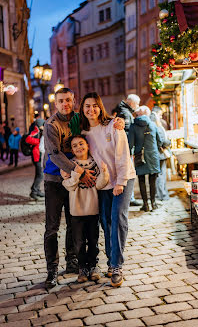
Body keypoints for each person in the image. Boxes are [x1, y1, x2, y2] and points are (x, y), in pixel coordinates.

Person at [43, 87, 124, 289]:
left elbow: (102, 123)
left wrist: (121, 122)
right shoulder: (51, 124)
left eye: (68, 100)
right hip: (55, 179)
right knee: (52, 227)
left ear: (73, 100)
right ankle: (52, 271)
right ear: (56, 103)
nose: (65, 104)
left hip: (79, 179)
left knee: (75, 224)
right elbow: (54, 154)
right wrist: (78, 169)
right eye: (61, 101)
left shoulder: (81, 118)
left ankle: (76, 263)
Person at [80, 92, 136, 287]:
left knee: (118, 218)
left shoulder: (113, 125)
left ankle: (117, 265)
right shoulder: (84, 132)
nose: (91, 109)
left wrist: (120, 182)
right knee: (106, 221)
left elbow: (123, 155)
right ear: (82, 109)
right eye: (87, 106)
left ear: (100, 107)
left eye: (95, 105)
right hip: (103, 183)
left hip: (123, 178)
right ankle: (112, 261)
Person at [61, 135, 109, 283]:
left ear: (88, 145)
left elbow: (100, 184)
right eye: (74, 146)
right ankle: (82, 267)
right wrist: (75, 175)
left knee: (93, 239)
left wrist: (104, 171)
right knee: (79, 242)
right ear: (72, 150)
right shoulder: (71, 165)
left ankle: (93, 266)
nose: (78, 147)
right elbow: (69, 185)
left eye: (81, 144)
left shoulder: (94, 163)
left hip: (93, 209)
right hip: (77, 210)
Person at [129, 106, 162, 212]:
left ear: (138, 114)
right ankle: (153, 203)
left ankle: (145, 205)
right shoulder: (153, 124)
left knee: (142, 180)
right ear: (147, 114)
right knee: (153, 180)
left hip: (140, 157)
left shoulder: (133, 126)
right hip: (153, 156)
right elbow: (159, 141)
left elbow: (130, 144)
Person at [112, 94, 141, 206]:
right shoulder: (125, 113)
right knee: (127, 173)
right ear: (131, 103)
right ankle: (129, 198)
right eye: (137, 103)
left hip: (127, 149)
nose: (137, 106)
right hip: (126, 149)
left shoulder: (123, 110)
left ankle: (129, 197)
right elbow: (126, 133)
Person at [150, 106, 171, 201]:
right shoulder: (156, 123)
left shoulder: (152, 122)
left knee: (159, 175)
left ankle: (161, 194)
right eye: (160, 114)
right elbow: (161, 140)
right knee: (160, 175)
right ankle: (161, 194)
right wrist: (168, 143)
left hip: (156, 153)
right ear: (156, 113)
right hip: (160, 153)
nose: (161, 116)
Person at [26, 118, 45, 200]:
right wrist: (39, 141)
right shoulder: (36, 131)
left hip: (38, 155)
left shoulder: (39, 131)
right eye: (43, 124)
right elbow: (28, 139)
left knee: (39, 174)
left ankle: (37, 190)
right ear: (40, 125)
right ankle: (34, 191)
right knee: (41, 175)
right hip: (36, 156)